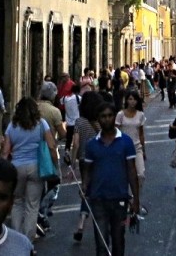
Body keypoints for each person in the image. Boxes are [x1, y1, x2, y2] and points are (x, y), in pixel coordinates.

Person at [82, 103, 141, 256]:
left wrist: (136, 199)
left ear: (114, 117)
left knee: (118, 240)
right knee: (101, 244)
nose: (107, 119)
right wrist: (84, 186)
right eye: (103, 116)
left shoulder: (126, 142)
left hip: (120, 200)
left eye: (109, 115)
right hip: (98, 200)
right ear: (98, 119)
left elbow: (132, 171)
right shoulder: (91, 145)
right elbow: (87, 170)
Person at [0, 98, 58, 244]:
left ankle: (16, 240)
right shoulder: (41, 124)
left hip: (16, 167)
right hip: (36, 167)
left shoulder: (12, 126)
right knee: (32, 205)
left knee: (17, 203)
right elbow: (51, 146)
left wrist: (1, 170)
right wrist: (55, 165)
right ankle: (27, 243)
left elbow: (5, 152)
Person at [70, 92, 103, 244]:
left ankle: (81, 222)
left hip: (84, 160)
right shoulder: (100, 122)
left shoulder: (79, 122)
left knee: (86, 189)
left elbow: (76, 143)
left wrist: (73, 161)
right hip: (99, 159)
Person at [36, 82, 65, 232]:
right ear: (53, 96)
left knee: (38, 184)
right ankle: (42, 211)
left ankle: (38, 213)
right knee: (55, 182)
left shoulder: (33, 108)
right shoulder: (54, 111)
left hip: (34, 151)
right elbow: (62, 134)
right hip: (49, 150)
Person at [114, 91, 147, 197]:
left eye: (134, 99)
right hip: (123, 148)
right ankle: (127, 196)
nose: (132, 102)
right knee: (124, 174)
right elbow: (115, 132)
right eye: (130, 99)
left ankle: (135, 194)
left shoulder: (140, 115)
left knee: (140, 174)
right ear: (126, 100)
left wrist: (143, 150)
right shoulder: (120, 114)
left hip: (137, 147)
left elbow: (141, 133)